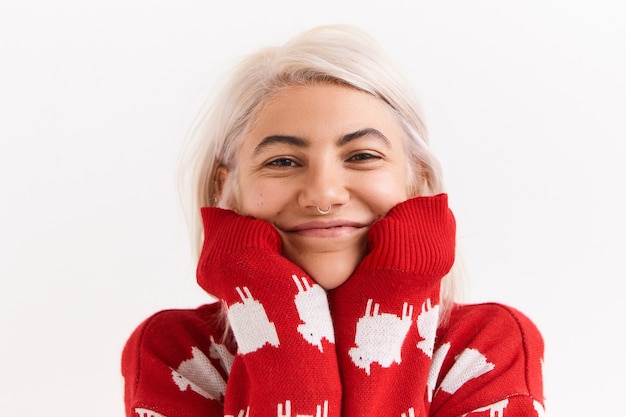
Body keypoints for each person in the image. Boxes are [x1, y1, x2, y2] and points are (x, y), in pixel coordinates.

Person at [121, 24, 545, 417]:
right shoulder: (175, 353)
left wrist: (389, 305)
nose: (323, 195)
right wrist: (278, 324)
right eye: (283, 161)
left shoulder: (487, 346)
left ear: (419, 182)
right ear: (225, 187)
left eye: (362, 156)